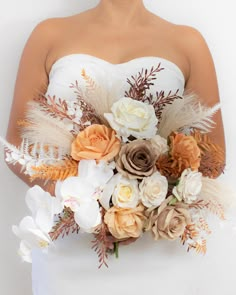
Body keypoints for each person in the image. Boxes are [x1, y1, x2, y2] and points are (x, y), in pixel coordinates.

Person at [4, 1, 226, 294]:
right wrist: (83, 204)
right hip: (72, 243)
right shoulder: (48, 35)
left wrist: (144, 206)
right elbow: (16, 145)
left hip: (159, 247)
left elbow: (214, 156)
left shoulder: (188, 42)